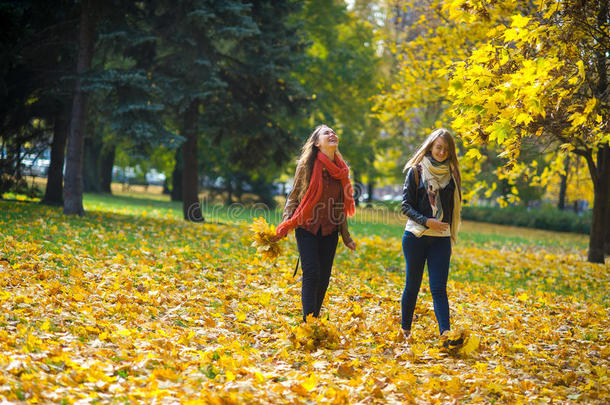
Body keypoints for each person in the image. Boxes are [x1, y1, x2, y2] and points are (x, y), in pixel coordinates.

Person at [275, 125, 357, 322]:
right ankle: (308, 322)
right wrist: (287, 223)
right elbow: (294, 196)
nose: (332, 134)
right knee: (312, 273)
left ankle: (315, 319)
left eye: (334, 132)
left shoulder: (342, 171)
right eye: (326, 133)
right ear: (316, 143)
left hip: (330, 230)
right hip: (306, 226)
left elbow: (340, 208)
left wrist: (346, 237)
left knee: (323, 278)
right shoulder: (306, 165)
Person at [400, 128, 462, 343]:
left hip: (441, 239)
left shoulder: (452, 176)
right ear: (430, 147)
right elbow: (405, 206)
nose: (442, 152)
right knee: (412, 286)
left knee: (438, 288)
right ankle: (405, 330)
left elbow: (453, 209)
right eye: (438, 147)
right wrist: (428, 222)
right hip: (415, 237)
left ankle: (445, 334)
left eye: (446, 149)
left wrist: (448, 233)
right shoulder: (416, 172)